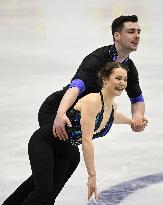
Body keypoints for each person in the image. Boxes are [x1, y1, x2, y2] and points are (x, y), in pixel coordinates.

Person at [2, 15, 148, 204]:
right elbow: (75, 87)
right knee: (56, 167)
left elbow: (137, 98)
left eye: (138, 32)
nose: (137, 35)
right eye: (131, 31)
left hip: (79, 115)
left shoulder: (128, 68)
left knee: (49, 175)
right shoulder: (97, 58)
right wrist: (61, 113)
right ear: (116, 36)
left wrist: (137, 119)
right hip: (57, 109)